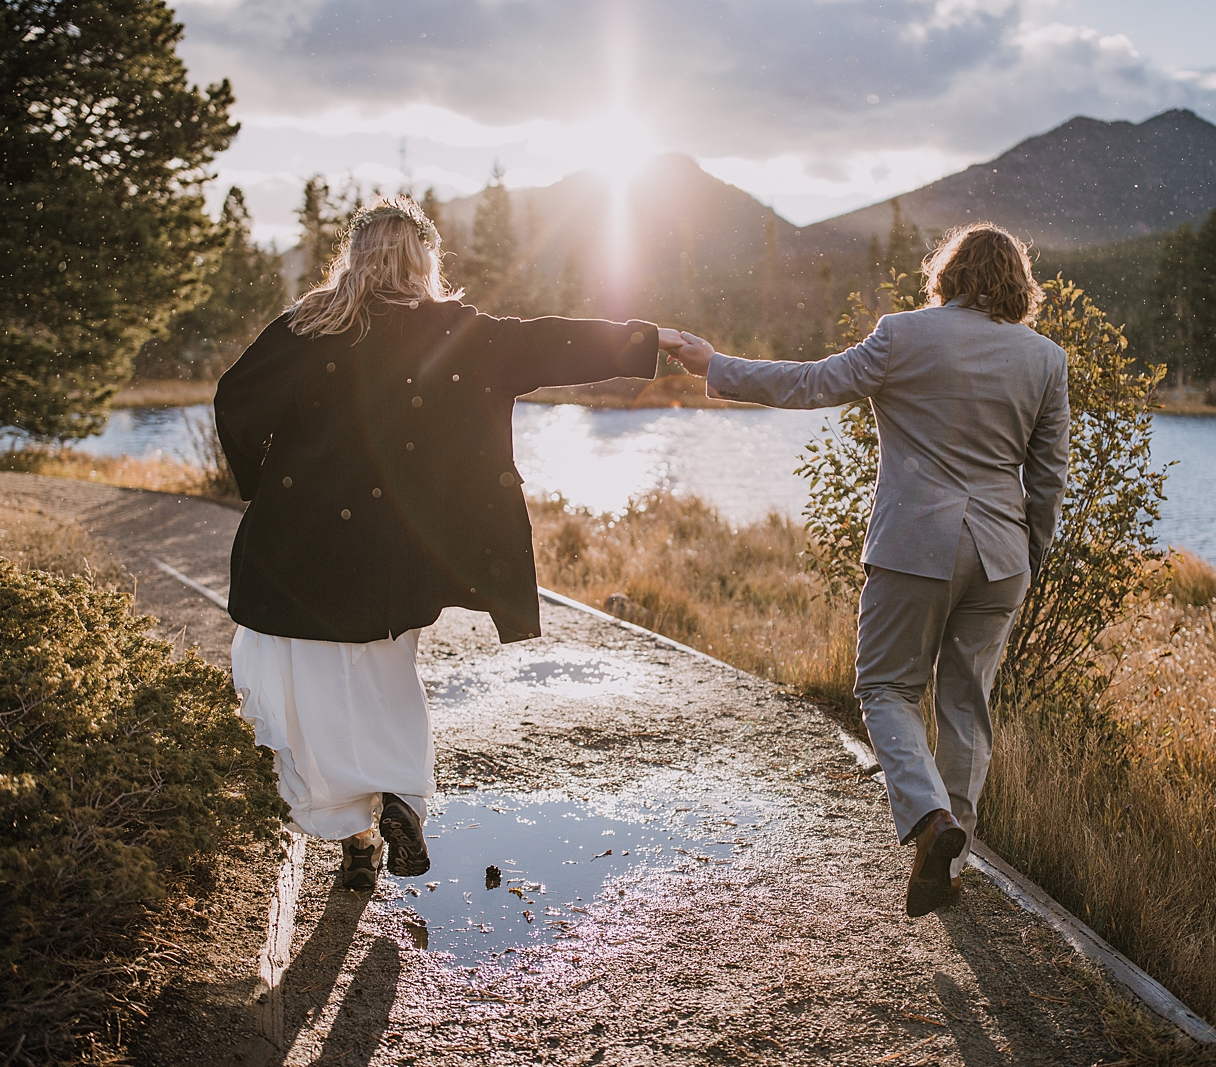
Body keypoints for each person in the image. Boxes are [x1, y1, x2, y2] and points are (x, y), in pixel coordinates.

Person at [215, 196, 676, 890]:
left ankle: (359, 835)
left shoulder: (307, 325)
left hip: (296, 549)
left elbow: (233, 401)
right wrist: (645, 341)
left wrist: (262, 481)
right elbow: (550, 341)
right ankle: (399, 795)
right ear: (424, 260)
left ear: (356, 256)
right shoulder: (459, 332)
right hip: (397, 555)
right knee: (386, 676)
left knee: (306, 690)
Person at [663, 223, 1070, 915]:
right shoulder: (1045, 358)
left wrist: (713, 364)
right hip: (1001, 555)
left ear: (948, 274)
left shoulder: (903, 334)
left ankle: (931, 819)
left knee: (885, 688)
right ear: (1018, 285)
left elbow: (811, 383)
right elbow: (1049, 475)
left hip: (916, 546)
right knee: (966, 705)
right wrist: (1029, 555)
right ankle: (950, 859)